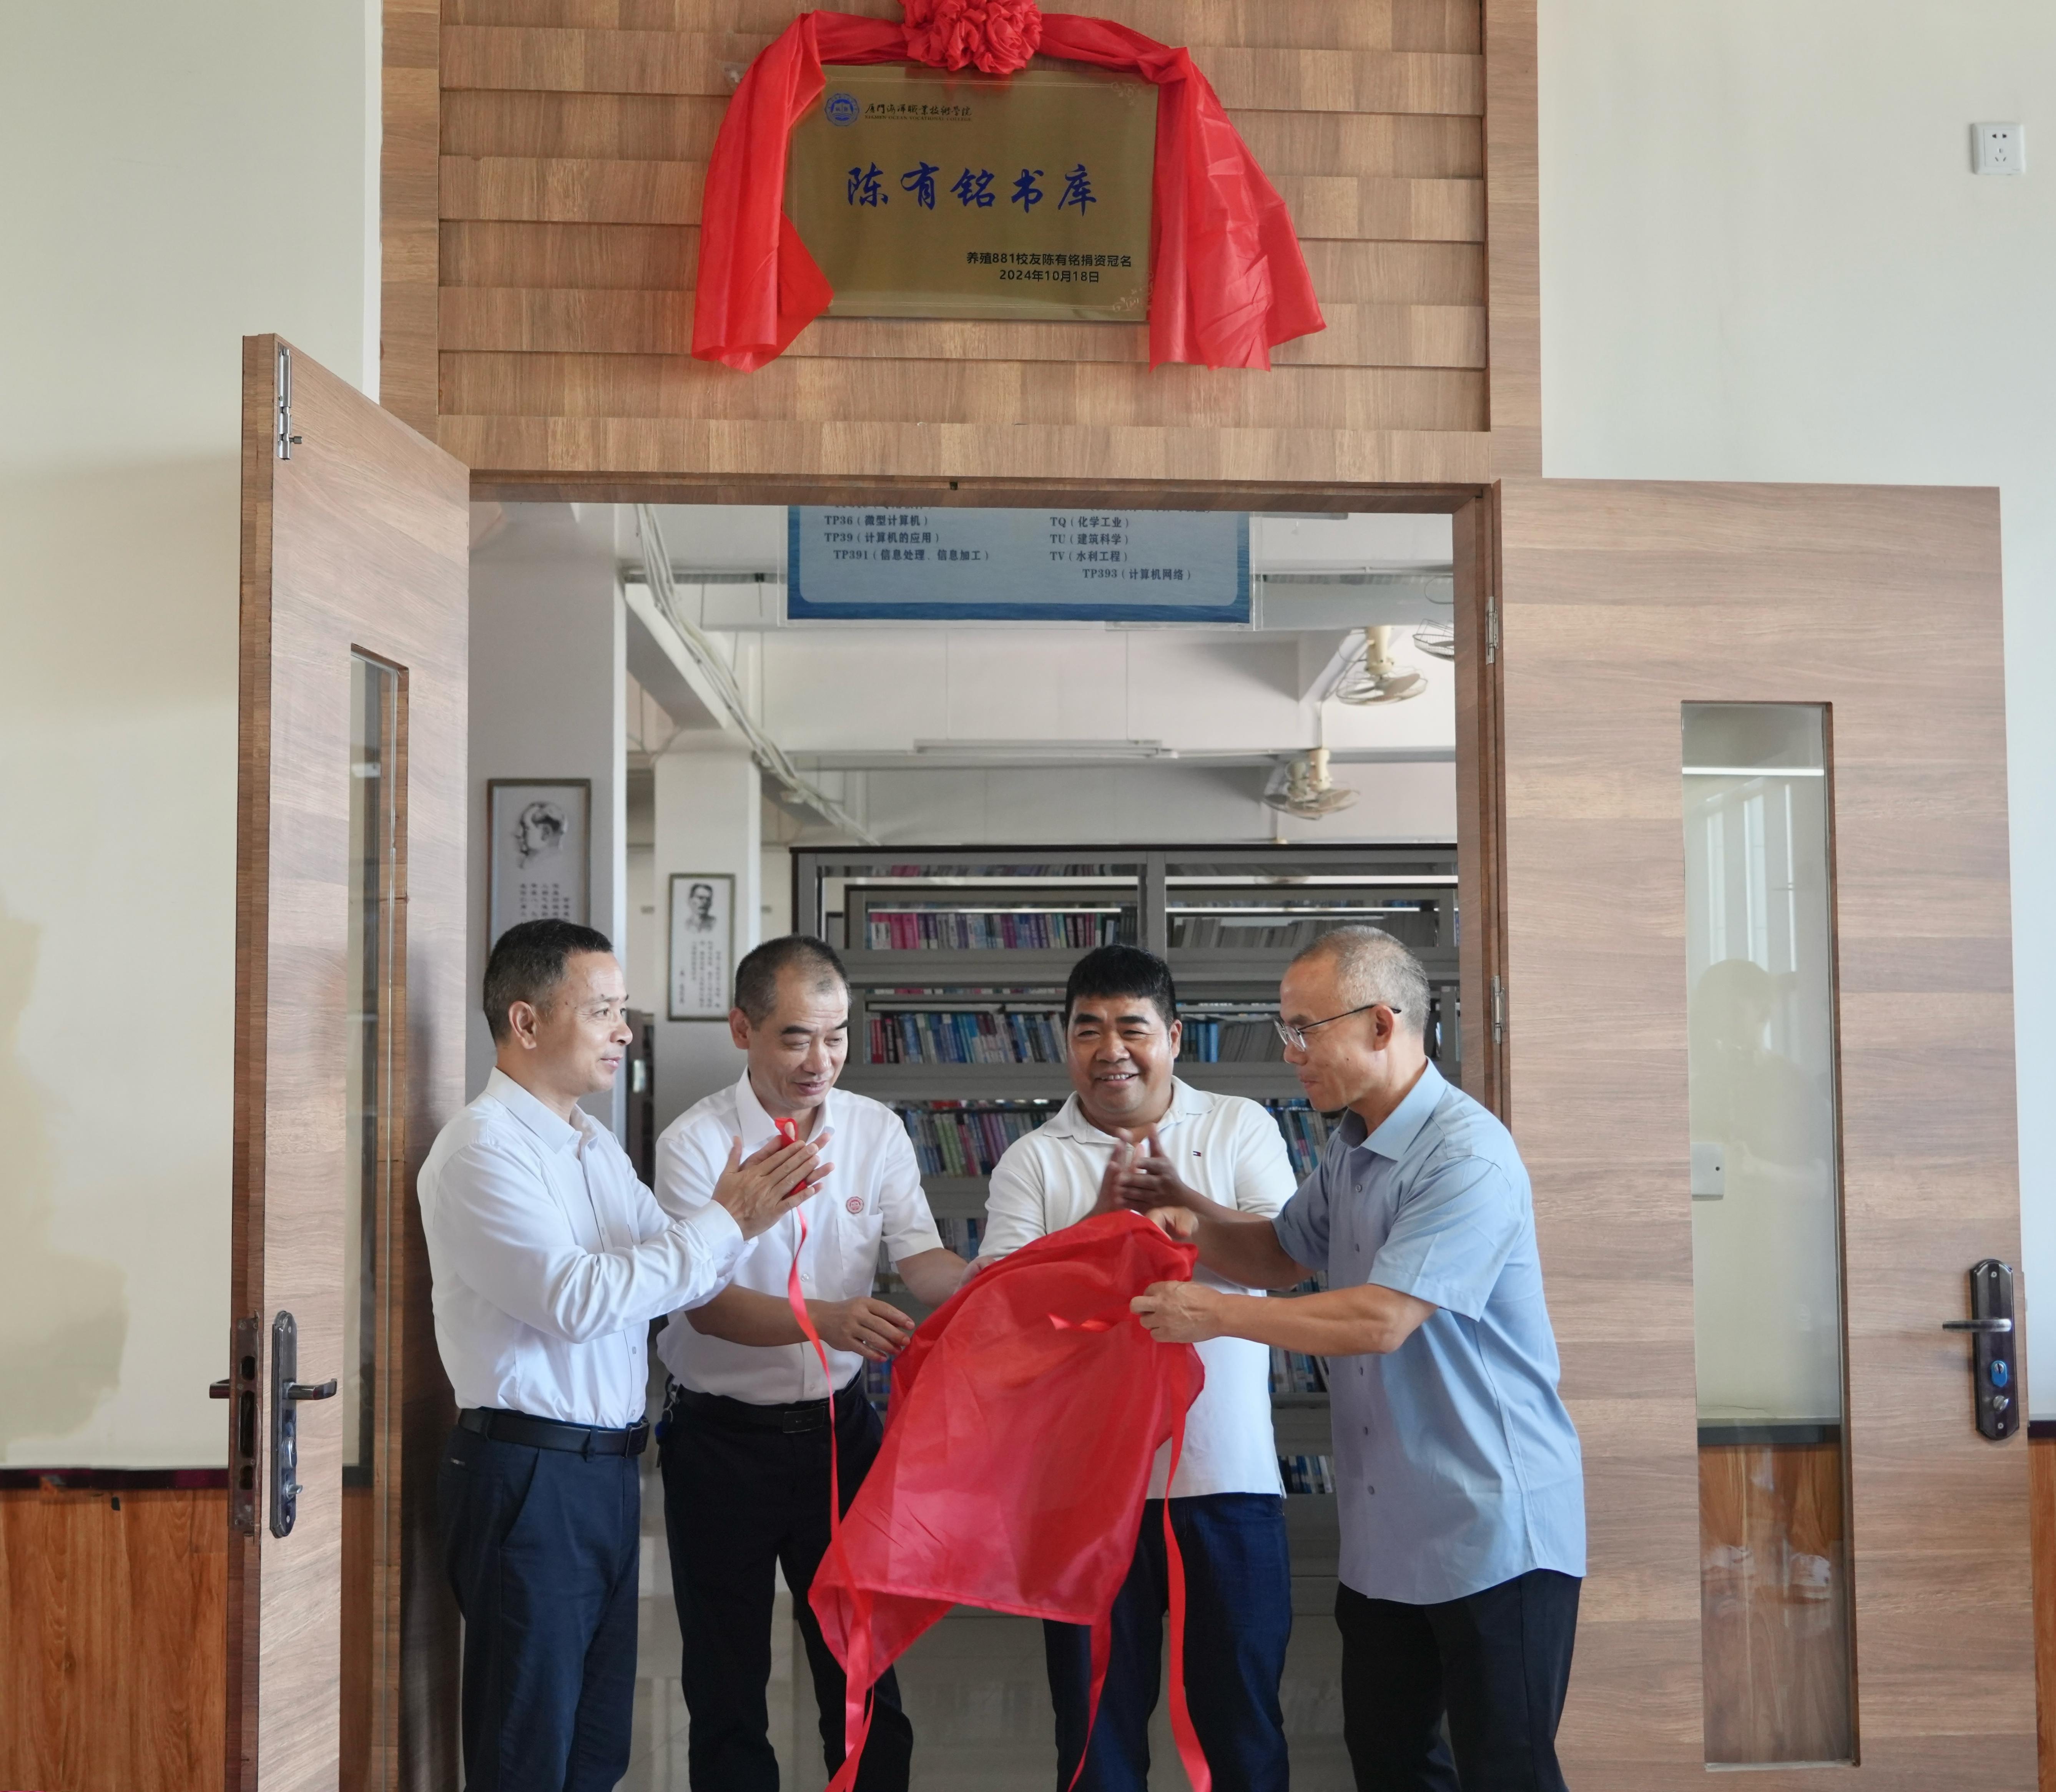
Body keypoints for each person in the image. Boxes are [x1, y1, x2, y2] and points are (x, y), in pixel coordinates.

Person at [1126, 927, 1586, 1792]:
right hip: (1386, 1536)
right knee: (1389, 1762)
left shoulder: (1466, 1154)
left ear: (1381, 1024)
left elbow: (1380, 1318)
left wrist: (1215, 1315)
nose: (1290, 1051)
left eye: (1305, 1029)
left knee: (1507, 1771)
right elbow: (1282, 1254)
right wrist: (1189, 1212)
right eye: (1286, 1028)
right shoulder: (1351, 1146)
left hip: (1494, 1526)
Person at [419, 918, 824, 1792]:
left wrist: (741, 1212)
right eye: (602, 1010)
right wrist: (723, 1220)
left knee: (596, 1749)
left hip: (605, 1474)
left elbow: (674, 1276)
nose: (624, 1032)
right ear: (526, 1022)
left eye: (622, 1010)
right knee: (527, 1750)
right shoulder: (481, 1151)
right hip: (528, 1474)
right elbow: (576, 1300)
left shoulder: (593, 1146)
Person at [653, 934, 970, 1792]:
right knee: (726, 1678)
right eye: (795, 1037)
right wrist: (825, 1320)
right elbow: (703, 1303)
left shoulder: (874, 1130)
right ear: (742, 1030)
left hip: (840, 1433)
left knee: (863, 1666)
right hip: (720, 1443)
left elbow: (922, 1261)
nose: (819, 1060)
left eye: (835, 1037)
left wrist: (994, 1282)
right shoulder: (695, 1144)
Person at [981, 944, 1297, 1792]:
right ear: (1064, 1041)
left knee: (1243, 1728)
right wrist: (1097, 1222)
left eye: (1132, 1028)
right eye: (1087, 1030)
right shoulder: (1032, 1158)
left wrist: (1185, 1209)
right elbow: (1002, 1320)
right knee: (1096, 1739)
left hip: (1227, 1481)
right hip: (1083, 1495)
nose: (1110, 1050)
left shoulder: (1238, 1125)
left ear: (1174, 1036)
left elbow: (1283, 1262)